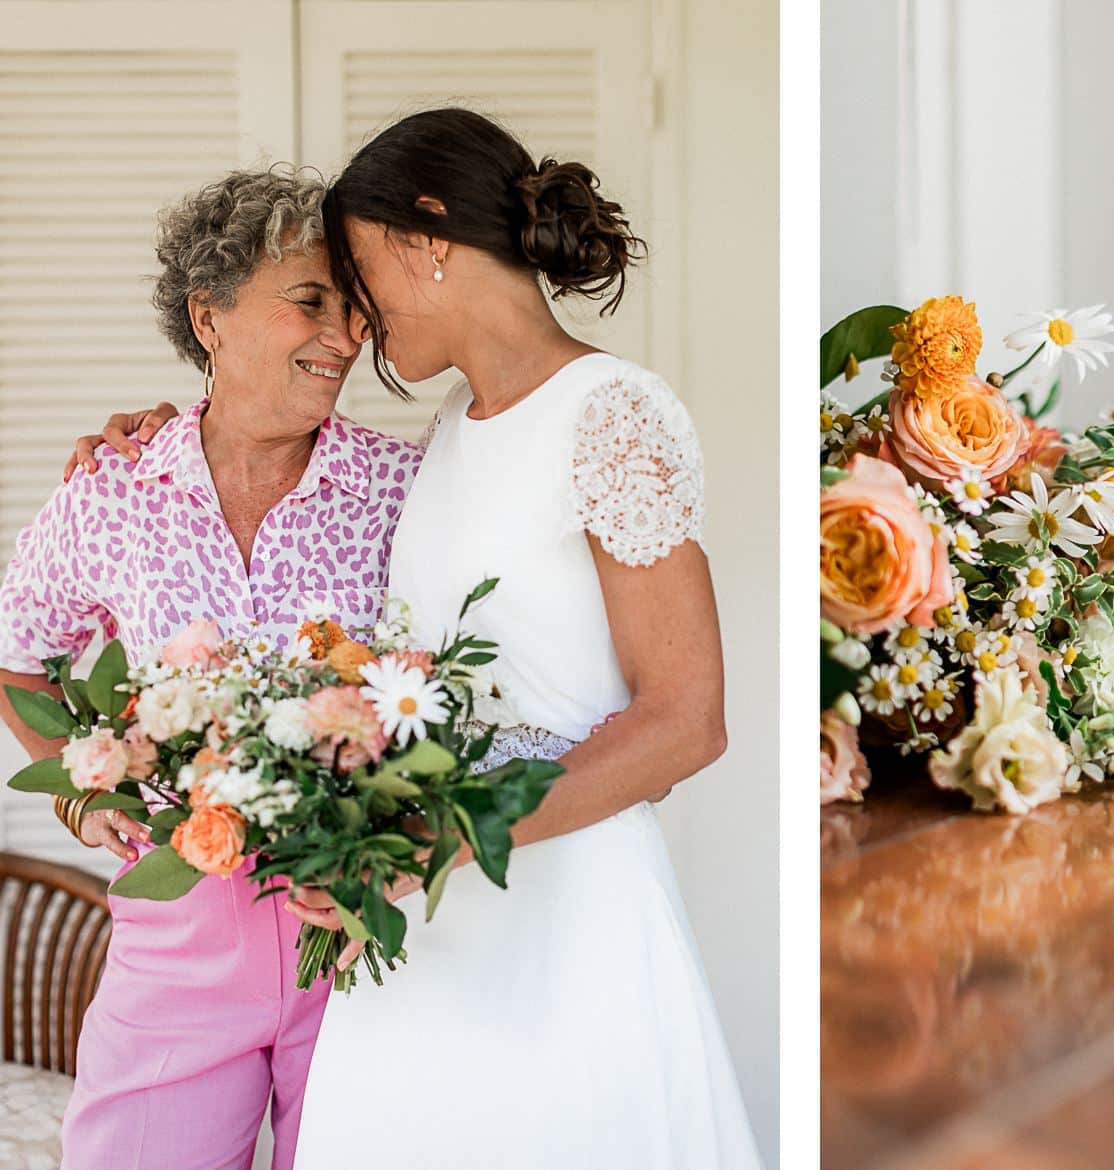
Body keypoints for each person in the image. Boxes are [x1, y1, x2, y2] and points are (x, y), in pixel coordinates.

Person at [76, 108, 762, 1168]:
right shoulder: (447, 433)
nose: (356, 326)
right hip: (416, 927)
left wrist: (445, 839)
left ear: (425, 236)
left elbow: (686, 720)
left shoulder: (614, 411)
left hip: (560, 924)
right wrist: (167, 431)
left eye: (359, 278)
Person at [1, 166, 420, 1170]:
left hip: (359, 938)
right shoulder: (115, 490)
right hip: (176, 945)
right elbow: (20, 654)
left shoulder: (404, 487)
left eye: (355, 310)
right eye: (310, 301)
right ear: (211, 318)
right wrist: (81, 792)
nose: (347, 336)